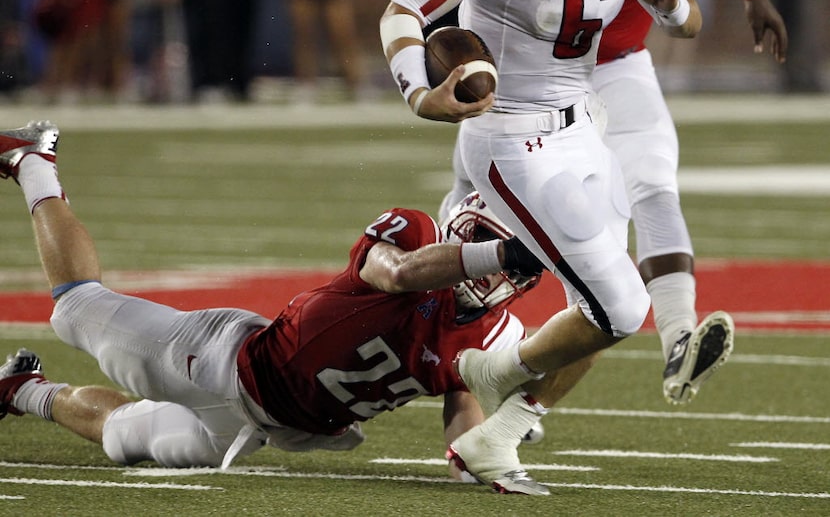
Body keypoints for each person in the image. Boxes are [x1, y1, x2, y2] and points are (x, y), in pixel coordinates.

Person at [379, 0, 703, 493]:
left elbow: (686, 20)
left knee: (592, 299)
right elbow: (404, 9)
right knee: (619, 305)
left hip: (583, 123)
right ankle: (475, 363)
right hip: (509, 133)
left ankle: (496, 426)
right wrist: (419, 90)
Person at [441, 0, 790, 407]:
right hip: (531, 88)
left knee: (652, 185)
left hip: (619, 58)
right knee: (474, 250)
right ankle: (429, 360)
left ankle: (679, 337)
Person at [0, 120, 549, 489]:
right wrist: (499, 252)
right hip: (221, 358)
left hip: (268, 423)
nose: (495, 267)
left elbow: (459, 395)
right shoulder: (414, 234)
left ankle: (21, 389)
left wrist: (473, 457)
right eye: (487, 244)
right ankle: (31, 161)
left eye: (509, 263)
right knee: (74, 309)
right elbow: (399, 273)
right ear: (463, 232)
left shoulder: (495, 333)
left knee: (123, 439)